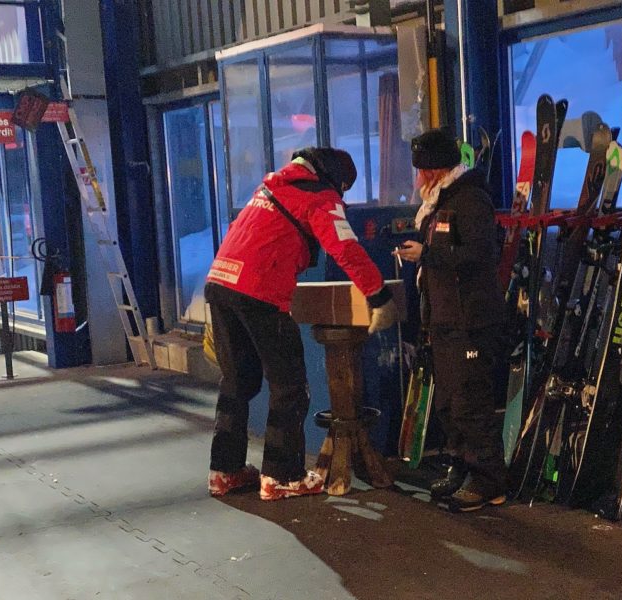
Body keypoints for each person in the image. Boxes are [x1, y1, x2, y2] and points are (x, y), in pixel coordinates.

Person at [205, 147, 398, 501]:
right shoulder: (319, 196)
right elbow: (345, 248)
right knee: (289, 385)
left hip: (220, 283)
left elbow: (239, 234)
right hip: (259, 291)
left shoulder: (271, 187)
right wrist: (379, 295)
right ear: (337, 181)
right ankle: (281, 475)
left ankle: (225, 470)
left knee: (236, 382)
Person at [395, 128, 508, 512]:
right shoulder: (438, 203)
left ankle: (488, 481)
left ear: (433, 170)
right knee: (447, 403)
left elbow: (479, 254)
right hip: (445, 319)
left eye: (420, 170)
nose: (416, 179)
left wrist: (426, 255)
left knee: (470, 403)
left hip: (471, 319)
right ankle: (461, 468)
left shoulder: (470, 199)